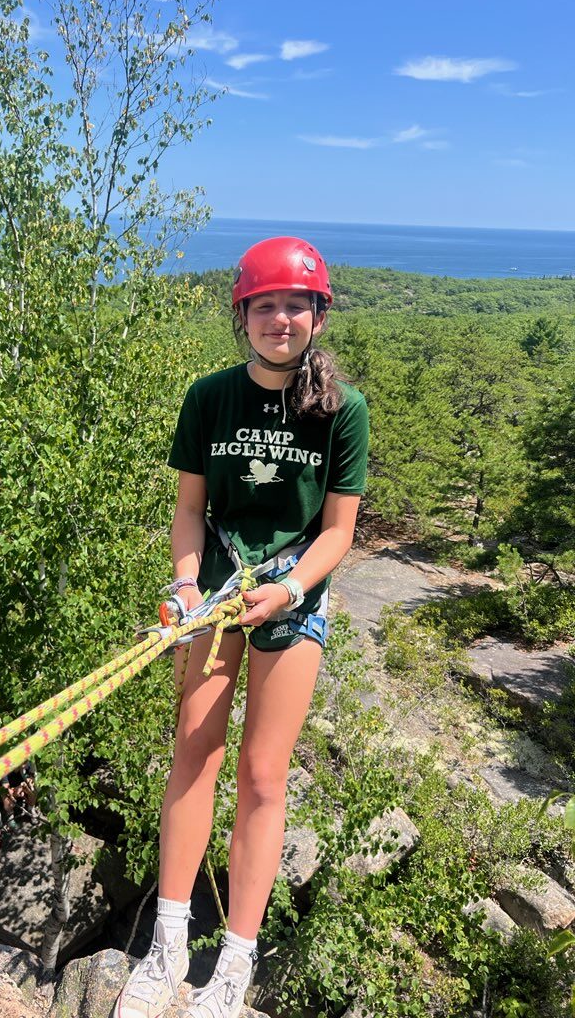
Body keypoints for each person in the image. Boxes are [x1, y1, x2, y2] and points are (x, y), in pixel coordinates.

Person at [115, 236, 370, 1018]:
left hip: (292, 592)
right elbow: (191, 509)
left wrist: (290, 590)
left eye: (295, 305)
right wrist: (186, 587)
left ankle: (234, 962)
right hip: (219, 587)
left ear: (318, 315)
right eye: (265, 306)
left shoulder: (343, 410)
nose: (280, 319)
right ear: (243, 315)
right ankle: (167, 947)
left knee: (262, 775)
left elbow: (338, 531)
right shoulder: (210, 398)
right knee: (193, 753)